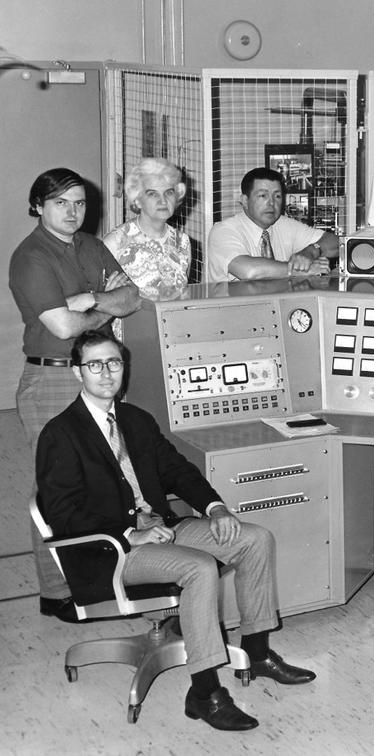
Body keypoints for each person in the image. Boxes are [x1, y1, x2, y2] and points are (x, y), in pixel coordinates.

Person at [36, 330, 317, 729]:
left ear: (124, 368)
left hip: (163, 527)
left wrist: (215, 507)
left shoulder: (135, 420)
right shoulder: (61, 434)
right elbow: (62, 514)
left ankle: (257, 652)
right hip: (110, 549)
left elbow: (176, 470)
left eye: (113, 363)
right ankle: (205, 694)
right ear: (77, 373)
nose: (106, 372)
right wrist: (129, 534)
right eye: (94, 364)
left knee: (254, 539)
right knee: (199, 567)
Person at [8, 167, 141, 622]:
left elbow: (132, 297)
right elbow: (62, 327)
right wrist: (97, 302)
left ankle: (103, 578)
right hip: (51, 379)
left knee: (105, 473)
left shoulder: (90, 245)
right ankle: (57, 590)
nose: (73, 212)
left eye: (80, 203)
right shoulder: (31, 256)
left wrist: (88, 299)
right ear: (39, 207)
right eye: (61, 203)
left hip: (96, 374)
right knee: (55, 484)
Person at [206, 167, 338, 282]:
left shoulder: (284, 224)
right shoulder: (223, 231)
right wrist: (300, 271)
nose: (271, 203)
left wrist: (312, 250)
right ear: (244, 201)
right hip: (230, 308)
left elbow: (338, 244)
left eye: (277, 196)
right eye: (263, 196)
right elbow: (249, 271)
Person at [102, 157, 191, 301]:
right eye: (153, 194)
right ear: (137, 199)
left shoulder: (183, 241)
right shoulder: (115, 241)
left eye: (168, 192)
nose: (163, 201)